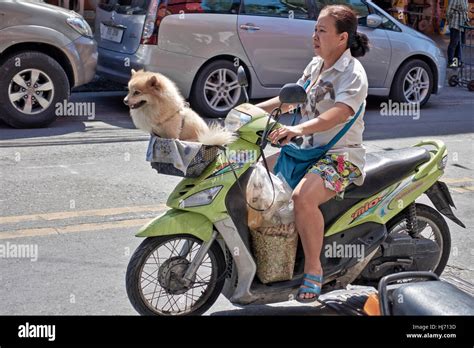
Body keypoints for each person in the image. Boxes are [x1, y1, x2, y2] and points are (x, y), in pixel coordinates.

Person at [256, 4, 369, 302]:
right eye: (314, 29)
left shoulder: (352, 74)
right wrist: (246, 113)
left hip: (341, 156)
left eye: (322, 30)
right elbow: (288, 101)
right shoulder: (315, 66)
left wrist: (297, 130)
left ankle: (313, 269)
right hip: (307, 150)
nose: (314, 36)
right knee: (256, 177)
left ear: (342, 38)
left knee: (302, 198)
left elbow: (339, 114)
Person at [447, 0, 469, 68]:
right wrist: (451, 21)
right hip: (455, 24)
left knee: (460, 44)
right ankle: (451, 62)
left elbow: (465, 12)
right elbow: (449, 12)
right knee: (454, 43)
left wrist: (467, 20)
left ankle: (456, 62)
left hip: (463, 24)